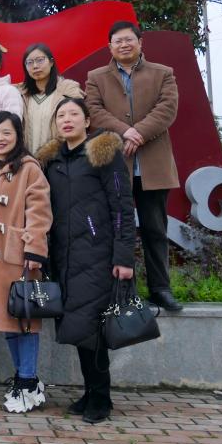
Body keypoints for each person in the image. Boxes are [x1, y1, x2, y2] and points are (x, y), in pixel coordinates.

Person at [37, 97, 136, 424]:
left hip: (97, 253)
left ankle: (101, 397)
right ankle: (91, 390)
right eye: (61, 115)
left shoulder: (103, 155)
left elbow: (122, 206)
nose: (66, 120)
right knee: (80, 327)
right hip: (64, 256)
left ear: (87, 120)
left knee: (92, 327)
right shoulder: (52, 161)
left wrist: (124, 256)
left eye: (73, 114)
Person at [85, 21, 181, 312]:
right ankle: (126, 291)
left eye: (129, 40)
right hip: (116, 166)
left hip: (153, 164)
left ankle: (161, 289)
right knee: (119, 230)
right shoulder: (96, 77)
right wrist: (125, 131)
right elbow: (94, 111)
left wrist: (139, 132)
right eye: (118, 41)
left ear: (140, 42)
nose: (124, 45)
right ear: (109, 46)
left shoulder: (163, 73)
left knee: (155, 229)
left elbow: (167, 109)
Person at [0, 111, 52, 413]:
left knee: (25, 320)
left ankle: (27, 382)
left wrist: (34, 249)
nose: (0, 138)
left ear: (18, 136)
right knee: (7, 319)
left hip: (20, 256)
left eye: (6, 133)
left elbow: (39, 210)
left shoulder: (29, 168)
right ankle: (23, 378)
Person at [18, 43, 84, 154]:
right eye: (29, 62)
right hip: (26, 159)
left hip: (61, 157)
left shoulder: (68, 89)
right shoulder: (20, 94)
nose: (35, 66)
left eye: (40, 60)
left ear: (51, 62)